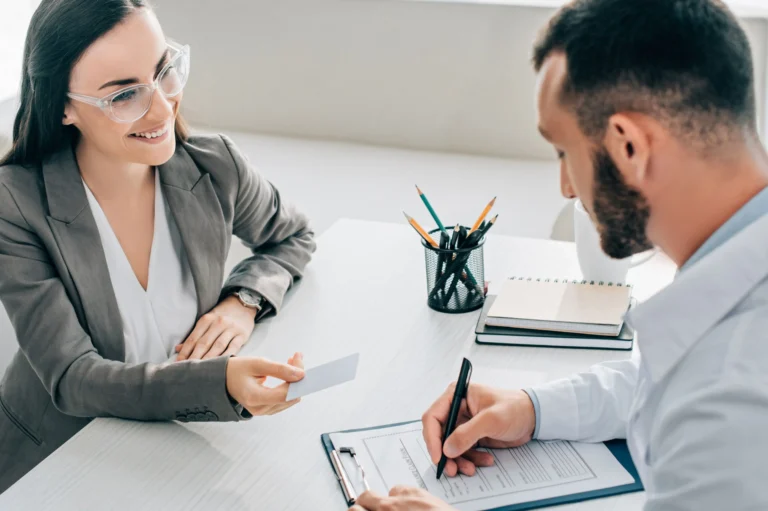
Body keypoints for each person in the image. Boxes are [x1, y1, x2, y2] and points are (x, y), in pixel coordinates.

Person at [351, 0, 768, 509]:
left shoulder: (732, 403)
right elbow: (665, 374)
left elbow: (704, 390)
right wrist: (531, 408)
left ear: (629, 147)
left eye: (564, 152)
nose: (567, 187)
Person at [0, 0, 315, 493]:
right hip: (56, 460)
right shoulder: (14, 204)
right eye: (124, 94)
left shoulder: (217, 166)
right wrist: (220, 384)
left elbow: (293, 236)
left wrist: (242, 302)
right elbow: (72, 377)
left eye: (165, 70)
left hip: (174, 448)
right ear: (61, 105)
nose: (165, 105)